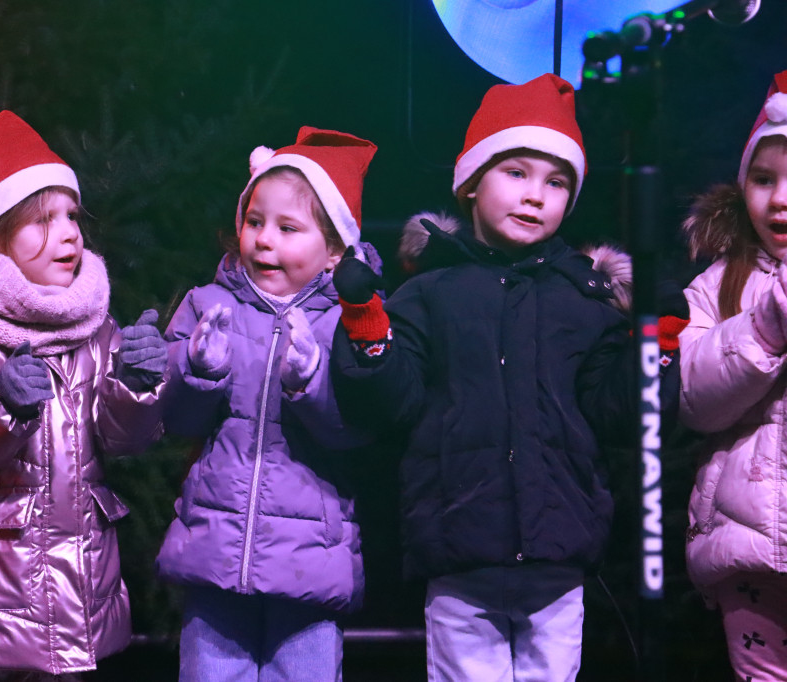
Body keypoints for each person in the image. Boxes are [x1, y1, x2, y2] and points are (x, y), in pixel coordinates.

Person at [330, 74, 639, 682]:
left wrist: (656, 347)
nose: (535, 196)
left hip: (558, 552)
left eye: (556, 182)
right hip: (460, 548)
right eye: (516, 172)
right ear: (471, 181)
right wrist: (366, 324)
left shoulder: (584, 300)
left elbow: (615, 413)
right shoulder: (429, 293)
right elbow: (391, 404)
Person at [0, 111, 167, 680]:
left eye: (71, 216)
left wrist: (134, 385)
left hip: (83, 591)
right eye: (43, 219)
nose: (69, 233)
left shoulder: (96, 324)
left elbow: (123, 441)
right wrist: (3, 405)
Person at [155, 126, 378, 682]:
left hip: (309, 563)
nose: (264, 240)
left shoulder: (346, 322)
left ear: (334, 253)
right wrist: (198, 372)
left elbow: (357, 430)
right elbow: (176, 419)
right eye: (254, 222)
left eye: (288, 228)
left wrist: (311, 383)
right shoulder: (209, 305)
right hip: (215, 553)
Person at [679, 69, 787, 681]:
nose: (779, 199)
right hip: (752, 558)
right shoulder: (720, 284)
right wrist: (767, 324)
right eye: (763, 179)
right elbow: (694, 400)